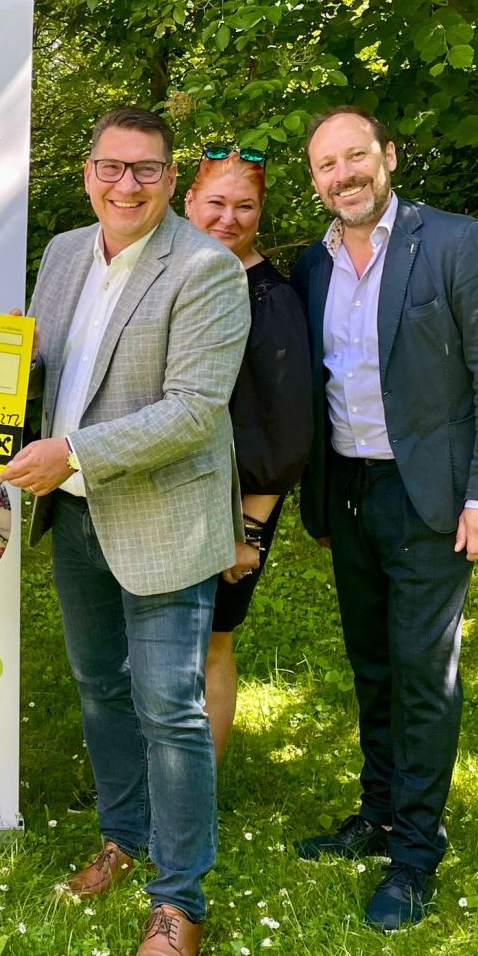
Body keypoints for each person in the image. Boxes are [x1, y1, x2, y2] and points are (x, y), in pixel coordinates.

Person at [0, 107, 249, 956]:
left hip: (162, 516)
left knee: (169, 708)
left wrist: (70, 453)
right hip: (74, 515)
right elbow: (38, 369)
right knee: (100, 689)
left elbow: (192, 411)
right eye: (111, 166)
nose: (126, 184)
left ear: (170, 179)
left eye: (145, 169)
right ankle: (123, 837)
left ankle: (178, 901)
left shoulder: (206, 268)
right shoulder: (65, 252)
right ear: (87, 173)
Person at [289, 107, 478, 930]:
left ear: (387, 156)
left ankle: (416, 854)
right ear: (315, 180)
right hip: (348, 493)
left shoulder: (456, 244)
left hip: (430, 496)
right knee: (372, 665)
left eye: (355, 155)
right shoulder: (313, 264)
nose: (344, 174)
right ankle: (378, 812)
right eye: (326, 165)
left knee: (423, 674)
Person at [182, 146, 312, 763]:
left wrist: (248, 530)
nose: (227, 218)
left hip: (233, 506)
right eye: (216, 202)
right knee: (154, 645)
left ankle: (195, 791)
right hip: (160, 495)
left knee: (210, 645)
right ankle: (143, 785)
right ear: (189, 202)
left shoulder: (271, 301)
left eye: (244, 207)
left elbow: (284, 429)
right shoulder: (173, 274)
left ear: (261, 213)